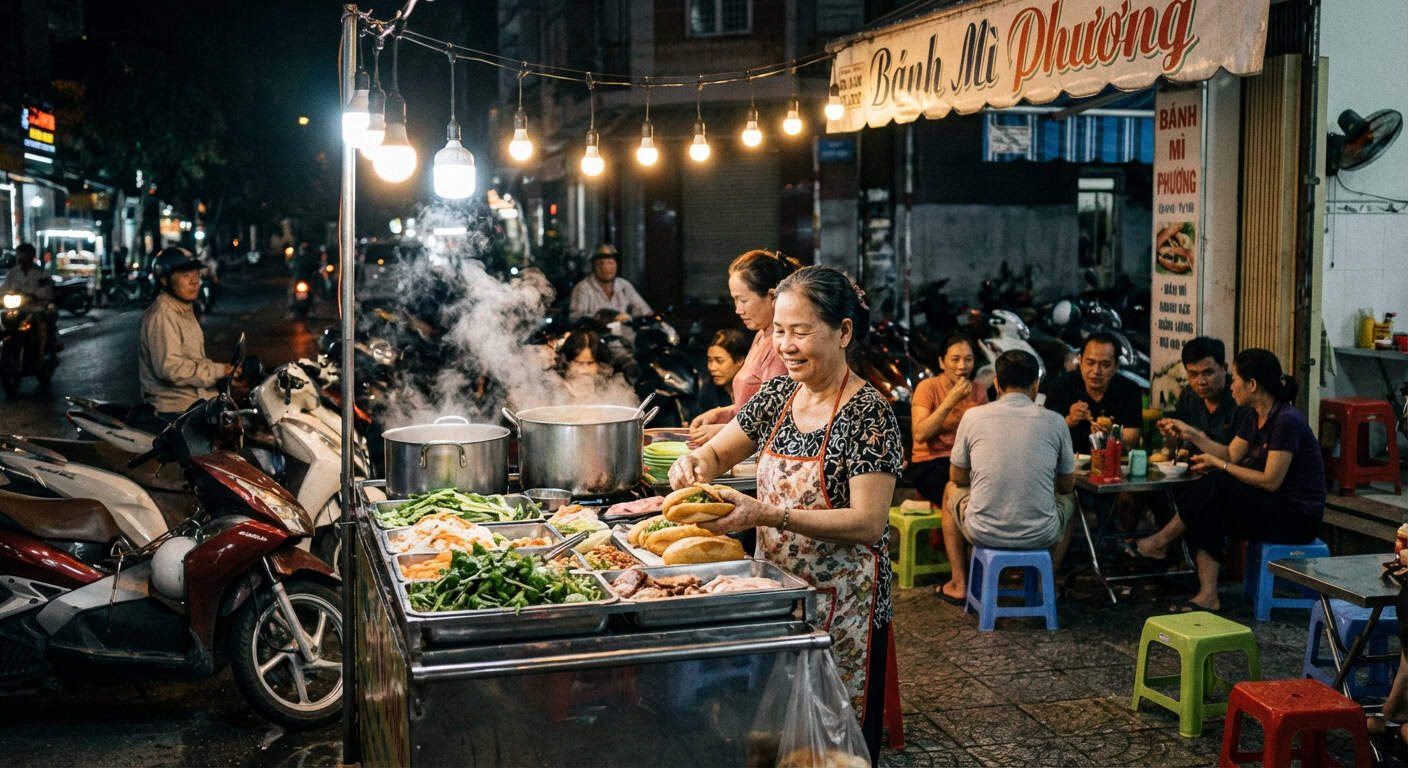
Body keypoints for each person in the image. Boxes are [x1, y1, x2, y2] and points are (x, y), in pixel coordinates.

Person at [669, 265, 903, 763]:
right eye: (779, 331)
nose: (787, 345)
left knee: (834, 745)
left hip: (844, 611)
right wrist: (694, 463)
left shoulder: (869, 414)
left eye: (801, 331)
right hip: (777, 602)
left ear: (843, 332)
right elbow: (717, 455)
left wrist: (768, 515)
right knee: (774, 734)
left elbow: (868, 522)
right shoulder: (776, 397)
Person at [1132, 349, 1326, 612]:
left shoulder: (1286, 420)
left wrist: (1219, 466)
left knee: (1216, 485)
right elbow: (1230, 454)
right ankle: (1207, 594)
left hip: (1297, 517)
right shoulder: (1255, 416)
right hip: (1272, 505)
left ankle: (1161, 542)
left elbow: (1271, 481)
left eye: (1235, 379)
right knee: (1209, 496)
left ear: (1252, 384)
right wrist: (1191, 433)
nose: (1232, 385)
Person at [934, 350, 1077, 604]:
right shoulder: (1056, 421)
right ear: (1036, 385)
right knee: (1070, 499)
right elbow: (1067, 484)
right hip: (1041, 534)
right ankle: (1048, 584)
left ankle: (958, 583)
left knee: (948, 488)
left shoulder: (973, 417)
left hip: (982, 531)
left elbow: (956, 475)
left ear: (997, 384)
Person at [687, 249, 799, 445]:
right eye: (735, 300)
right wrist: (722, 414)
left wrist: (724, 431)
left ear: (772, 296)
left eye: (743, 300)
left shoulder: (780, 347)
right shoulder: (760, 336)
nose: (738, 310)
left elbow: (779, 420)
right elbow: (751, 408)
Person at [138, 248, 234, 420]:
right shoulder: (162, 315)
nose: (195, 281)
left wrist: (224, 374)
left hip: (195, 400)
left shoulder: (183, 309)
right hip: (175, 409)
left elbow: (193, 360)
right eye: (185, 275)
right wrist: (219, 371)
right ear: (164, 280)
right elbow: (170, 369)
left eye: (196, 273)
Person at [909, 334, 987, 515]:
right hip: (931, 463)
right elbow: (920, 434)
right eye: (955, 359)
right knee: (963, 499)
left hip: (967, 463)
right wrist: (951, 400)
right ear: (942, 363)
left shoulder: (978, 390)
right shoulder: (928, 387)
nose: (962, 366)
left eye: (968, 359)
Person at [1044, 331, 1143, 450]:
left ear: (1116, 366)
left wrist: (1110, 435)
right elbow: (1046, 434)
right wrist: (1069, 420)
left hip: (1112, 462)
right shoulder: (1061, 386)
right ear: (1080, 361)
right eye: (1090, 363)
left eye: (1105, 365)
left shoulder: (1129, 390)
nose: (1096, 371)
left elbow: (1132, 439)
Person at [1158, 336, 1243, 447]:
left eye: (1208, 373)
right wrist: (1170, 435)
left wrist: (1198, 438)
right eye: (1193, 375)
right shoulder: (1188, 396)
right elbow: (1178, 443)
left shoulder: (1241, 397)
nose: (1201, 382)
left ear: (1224, 368)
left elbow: (1240, 456)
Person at [0, 243, 57, 361]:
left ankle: (45, 352)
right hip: (16, 310)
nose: (20, 257)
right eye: (19, 254)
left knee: (44, 321)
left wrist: (35, 296)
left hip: (35, 309)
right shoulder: (12, 273)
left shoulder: (41, 273)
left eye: (24, 254)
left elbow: (46, 291)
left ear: (31, 256)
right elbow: (4, 290)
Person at [568, 243, 652, 322]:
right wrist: (607, 318)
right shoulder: (583, 288)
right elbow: (576, 318)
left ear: (616, 265)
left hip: (626, 335)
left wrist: (652, 318)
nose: (606, 268)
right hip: (597, 335)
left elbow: (643, 309)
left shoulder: (624, 285)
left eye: (610, 263)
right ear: (593, 267)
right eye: (600, 264)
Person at [693, 328, 751, 421]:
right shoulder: (708, 392)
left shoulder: (751, 393)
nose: (712, 367)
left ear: (740, 360)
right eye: (710, 360)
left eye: (719, 361)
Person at [555, 329, 617, 400]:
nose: (584, 371)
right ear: (567, 361)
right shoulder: (552, 386)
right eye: (579, 363)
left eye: (590, 363)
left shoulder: (610, 387)